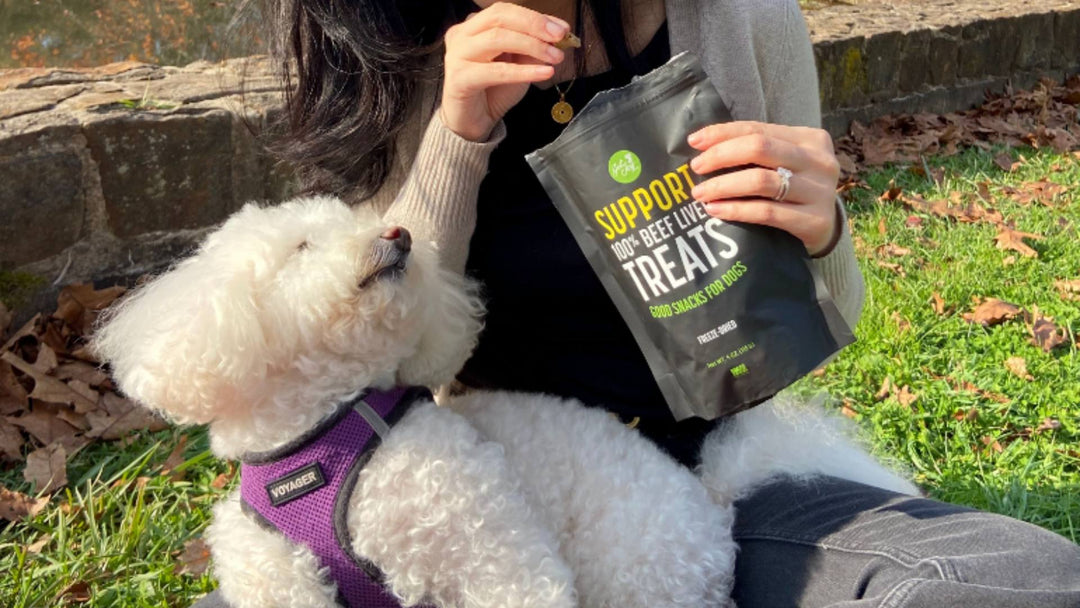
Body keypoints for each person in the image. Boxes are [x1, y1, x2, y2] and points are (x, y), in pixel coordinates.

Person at [195, 0, 1080, 606]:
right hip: (492, 496)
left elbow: (828, 314)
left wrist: (822, 233)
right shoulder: (389, 54)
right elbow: (388, 361)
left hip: (730, 471)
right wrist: (455, 140)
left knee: (1020, 579)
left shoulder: (742, 18)